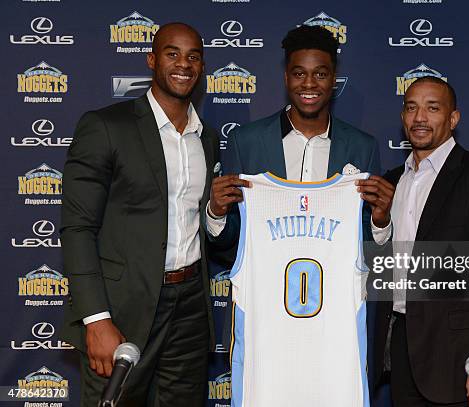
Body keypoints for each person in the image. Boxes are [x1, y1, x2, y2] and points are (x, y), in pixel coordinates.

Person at [60, 23, 218, 406]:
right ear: (152, 59)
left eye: (193, 56)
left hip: (190, 306)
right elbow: (78, 227)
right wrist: (96, 320)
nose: (184, 64)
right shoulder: (106, 127)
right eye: (172, 53)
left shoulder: (206, 139)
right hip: (123, 306)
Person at [373, 77, 469, 407]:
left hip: (460, 355)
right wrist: (379, 224)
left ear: (453, 119)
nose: (420, 117)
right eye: (411, 108)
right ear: (402, 117)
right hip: (400, 349)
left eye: (432, 108)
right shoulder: (390, 182)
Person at [206, 25, 394, 246]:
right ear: (287, 78)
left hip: (335, 280)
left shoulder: (363, 146)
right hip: (266, 279)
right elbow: (232, 237)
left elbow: (366, 239)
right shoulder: (245, 142)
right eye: (299, 74)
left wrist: (380, 221)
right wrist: (216, 213)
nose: (309, 83)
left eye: (320, 74)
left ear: (334, 80)